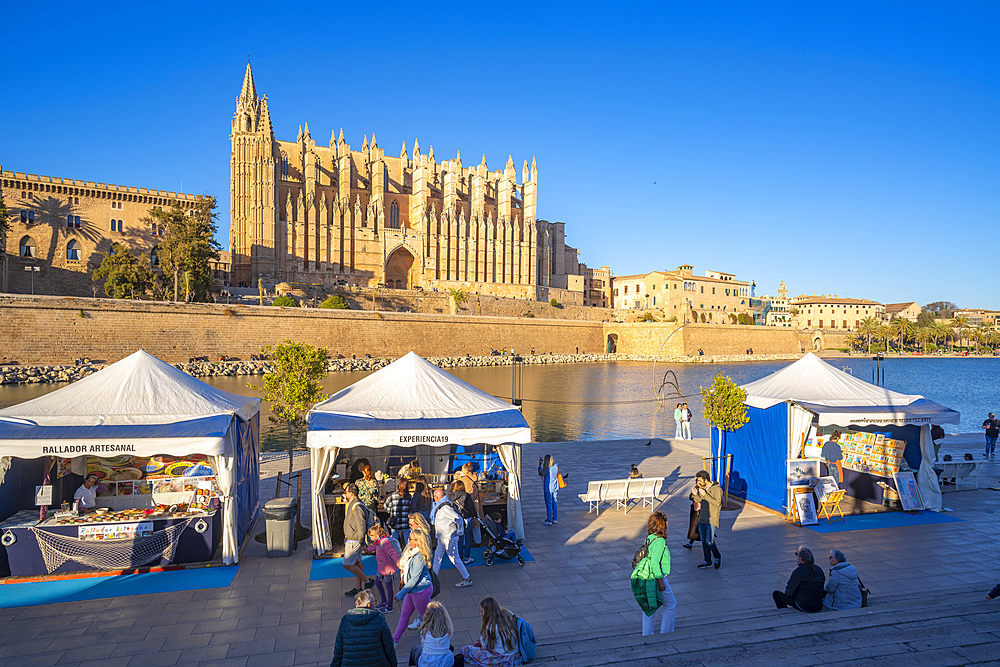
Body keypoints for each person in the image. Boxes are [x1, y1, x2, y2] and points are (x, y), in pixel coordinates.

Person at [630, 512, 676, 636]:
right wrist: (661, 581)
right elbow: (655, 563)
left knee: (650, 607)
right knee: (671, 605)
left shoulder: (650, 537)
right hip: (657, 577)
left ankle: (647, 634)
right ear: (662, 525)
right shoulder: (660, 541)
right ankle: (666, 632)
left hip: (648, 577)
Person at [330, 590, 397, 667]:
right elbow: (389, 646)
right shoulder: (379, 619)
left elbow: (338, 649)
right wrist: (393, 664)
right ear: (368, 605)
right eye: (374, 602)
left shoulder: (345, 620)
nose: (375, 605)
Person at [393, 531, 434, 646]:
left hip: (420, 591)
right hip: (413, 591)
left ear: (417, 542)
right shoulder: (412, 552)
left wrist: (400, 594)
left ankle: (430, 643)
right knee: (404, 616)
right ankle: (394, 640)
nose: (408, 541)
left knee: (425, 619)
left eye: (410, 539)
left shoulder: (419, 557)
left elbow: (414, 579)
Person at [461, 597, 520, 667]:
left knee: (466, 650)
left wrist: (482, 639)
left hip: (503, 660)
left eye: (481, 611)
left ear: (485, 612)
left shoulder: (490, 627)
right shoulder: (508, 614)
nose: (480, 613)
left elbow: (486, 646)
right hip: (515, 657)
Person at [431, 488, 472, 587]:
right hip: (443, 537)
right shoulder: (442, 505)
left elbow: (458, 518)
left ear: (436, 497)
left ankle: (467, 578)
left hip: (448, 537)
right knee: (437, 557)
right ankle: (433, 579)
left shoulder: (445, 508)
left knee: (454, 558)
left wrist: (459, 531)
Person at [342, 484, 374, 596]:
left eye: (346, 492)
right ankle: (358, 587)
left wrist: (362, 542)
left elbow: (361, 525)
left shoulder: (357, 506)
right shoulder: (354, 504)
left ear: (351, 493)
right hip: (353, 538)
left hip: (354, 540)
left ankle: (367, 581)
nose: (344, 494)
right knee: (357, 563)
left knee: (346, 564)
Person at [772, 546, 825, 612]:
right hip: (818, 605)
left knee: (777, 594)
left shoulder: (798, 572)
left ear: (800, 559)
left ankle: (784, 612)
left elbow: (789, 592)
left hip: (804, 605)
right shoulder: (819, 570)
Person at [409, 601, 461, 667]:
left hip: (427, 663)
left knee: (415, 648)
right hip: (446, 662)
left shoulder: (424, 631)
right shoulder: (447, 630)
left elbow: (423, 646)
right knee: (450, 647)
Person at [364, 524, 401, 613]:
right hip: (382, 569)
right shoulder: (378, 542)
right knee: (377, 583)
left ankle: (389, 605)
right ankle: (384, 601)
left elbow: (393, 553)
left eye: (371, 537)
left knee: (389, 587)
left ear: (377, 536)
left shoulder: (385, 542)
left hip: (388, 569)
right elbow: (374, 547)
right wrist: (366, 549)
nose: (371, 539)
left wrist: (399, 562)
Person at [693, 471, 722, 569]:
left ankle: (717, 556)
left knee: (709, 541)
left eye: (700, 480)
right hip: (702, 519)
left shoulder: (717, 490)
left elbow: (717, 503)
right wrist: (695, 495)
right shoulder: (703, 488)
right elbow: (700, 500)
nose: (699, 483)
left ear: (706, 480)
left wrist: (705, 495)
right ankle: (707, 560)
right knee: (704, 542)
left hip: (711, 520)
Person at [455, 463, 485, 546]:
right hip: (476, 502)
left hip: (466, 503)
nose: (461, 470)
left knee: (465, 522)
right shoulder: (475, 477)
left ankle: (464, 542)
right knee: (476, 521)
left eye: (462, 469)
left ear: (466, 470)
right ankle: (478, 541)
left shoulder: (462, 479)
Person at [449, 480, 477, 565]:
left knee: (459, 540)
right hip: (467, 518)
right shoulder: (466, 495)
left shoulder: (451, 496)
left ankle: (460, 558)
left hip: (457, 519)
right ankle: (467, 558)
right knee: (468, 539)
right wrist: (474, 515)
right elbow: (471, 507)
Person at [384, 479, 412, 546]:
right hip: (406, 522)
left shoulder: (392, 496)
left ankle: (395, 555)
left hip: (395, 522)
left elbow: (385, 506)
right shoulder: (409, 497)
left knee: (394, 541)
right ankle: (407, 555)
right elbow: (412, 509)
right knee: (408, 541)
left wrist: (391, 511)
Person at [538, 454, 563, 526]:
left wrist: (539, 465)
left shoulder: (547, 470)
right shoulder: (556, 466)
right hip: (555, 487)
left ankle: (549, 520)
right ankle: (554, 519)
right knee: (554, 502)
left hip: (548, 488)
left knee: (549, 504)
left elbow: (540, 473)